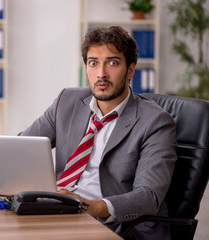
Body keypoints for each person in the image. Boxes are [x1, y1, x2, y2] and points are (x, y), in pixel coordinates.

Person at [19, 26, 177, 240]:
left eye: (112, 63)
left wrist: (91, 207)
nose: (101, 74)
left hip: (119, 226)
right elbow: (22, 148)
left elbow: (148, 196)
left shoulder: (155, 122)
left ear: (130, 70)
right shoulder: (67, 101)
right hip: (60, 211)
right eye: (93, 63)